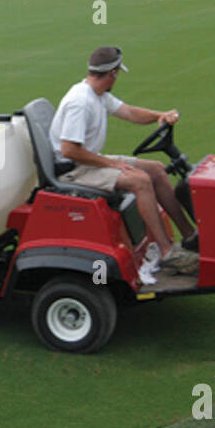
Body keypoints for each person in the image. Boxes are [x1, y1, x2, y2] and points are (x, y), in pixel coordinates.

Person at [50, 46, 199, 286]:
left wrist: (159, 116)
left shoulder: (98, 95)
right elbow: (69, 150)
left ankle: (190, 236)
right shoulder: (80, 102)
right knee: (139, 181)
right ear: (112, 74)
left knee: (157, 169)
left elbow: (128, 112)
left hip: (87, 159)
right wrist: (112, 163)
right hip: (73, 170)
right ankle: (167, 251)